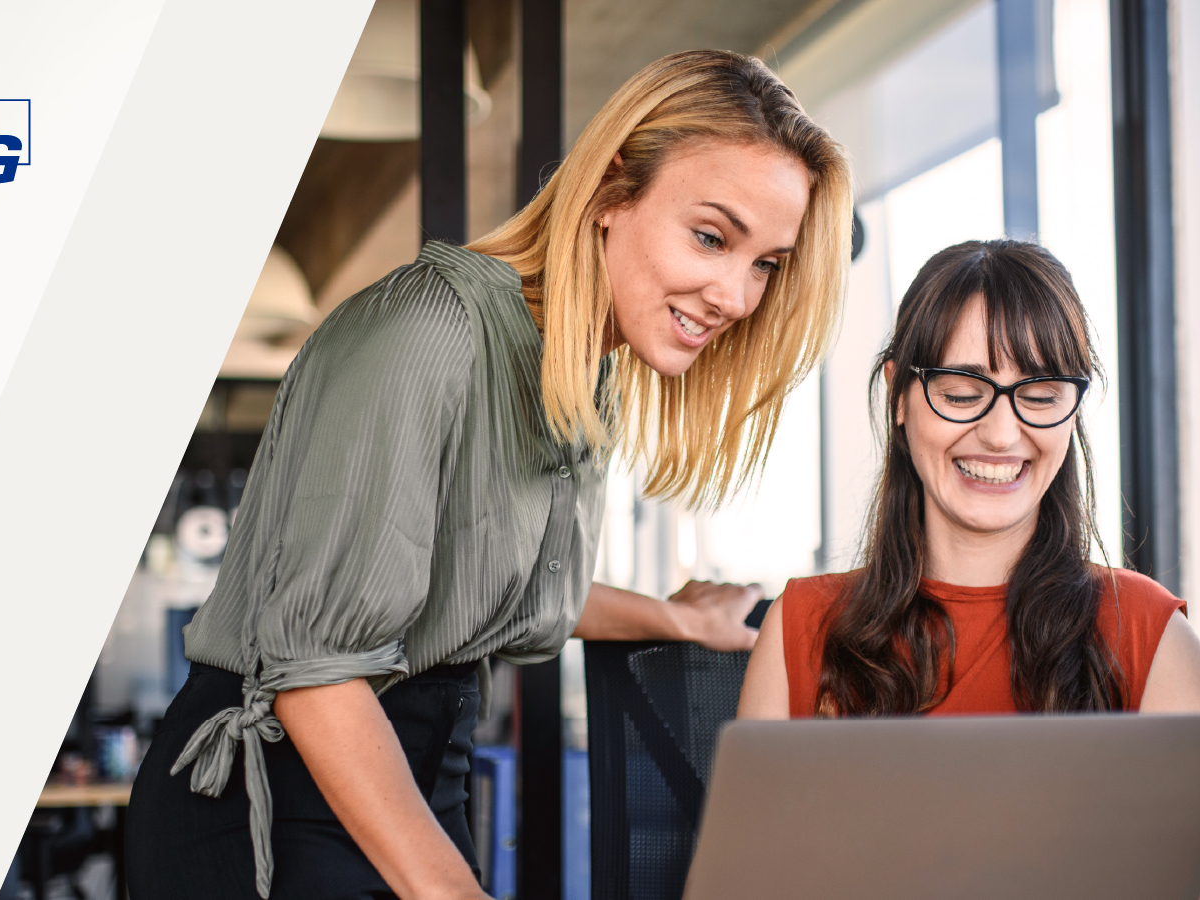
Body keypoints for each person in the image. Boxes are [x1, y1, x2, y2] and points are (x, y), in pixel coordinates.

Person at [126, 49, 854, 900]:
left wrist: (672, 619)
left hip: (413, 785)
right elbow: (317, 673)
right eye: (711, 236)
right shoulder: (428, 330)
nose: (736, 294)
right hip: (271, 805)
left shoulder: (585, 371)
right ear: (611, 193)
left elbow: (474, 581)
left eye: (766, 262)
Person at [737, 239, 1200, 898]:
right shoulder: (805, 626)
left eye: (1039, 393)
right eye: (962, 390)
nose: (1002, 435)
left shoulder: (1139, 627)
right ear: (898, 395)